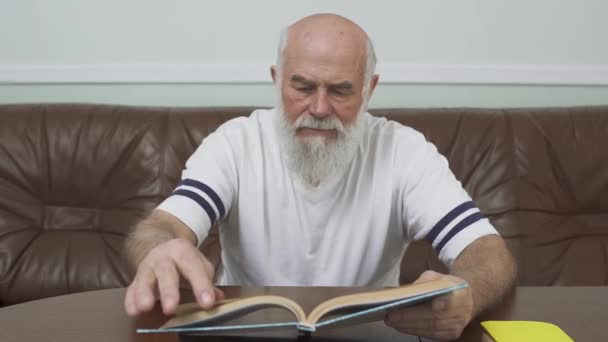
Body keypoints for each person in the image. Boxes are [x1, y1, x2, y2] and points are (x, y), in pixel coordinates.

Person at [124, 13, 516, 341]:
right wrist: (160, 249)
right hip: (245, 336)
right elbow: (163, 227)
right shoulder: (235, 143)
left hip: (367, 337)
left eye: (341, 91)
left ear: (369, 89)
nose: (319, 107)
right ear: (278, 80)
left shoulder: (404, 151)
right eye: (303, 86)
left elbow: (488, 254)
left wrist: (466, 290)